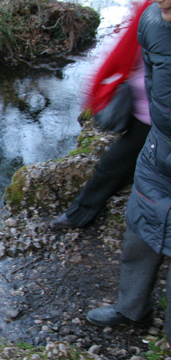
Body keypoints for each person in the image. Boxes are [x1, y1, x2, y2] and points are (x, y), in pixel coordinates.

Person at [86, 0, 171, 346]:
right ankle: (131, 309)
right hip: (158, 153)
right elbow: (150, 86)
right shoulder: (152, 20)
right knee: (139, 232)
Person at [51, 0, 152, 229]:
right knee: (120, 161)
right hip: (147, 111)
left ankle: (81, 215)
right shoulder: (150, 10)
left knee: (114, 164)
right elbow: (124, 52)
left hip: (155, 115)